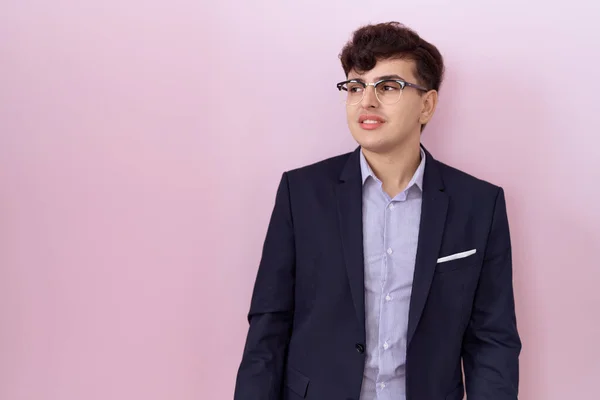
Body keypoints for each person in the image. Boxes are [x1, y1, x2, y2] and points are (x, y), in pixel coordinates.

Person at [233, 21, 521, 400]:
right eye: (355, 87)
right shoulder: (301, 194)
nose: (366, 101)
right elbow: (268, 328)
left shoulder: (479, 205)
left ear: (427, 104)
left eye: (388, 87)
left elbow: (492, 341)